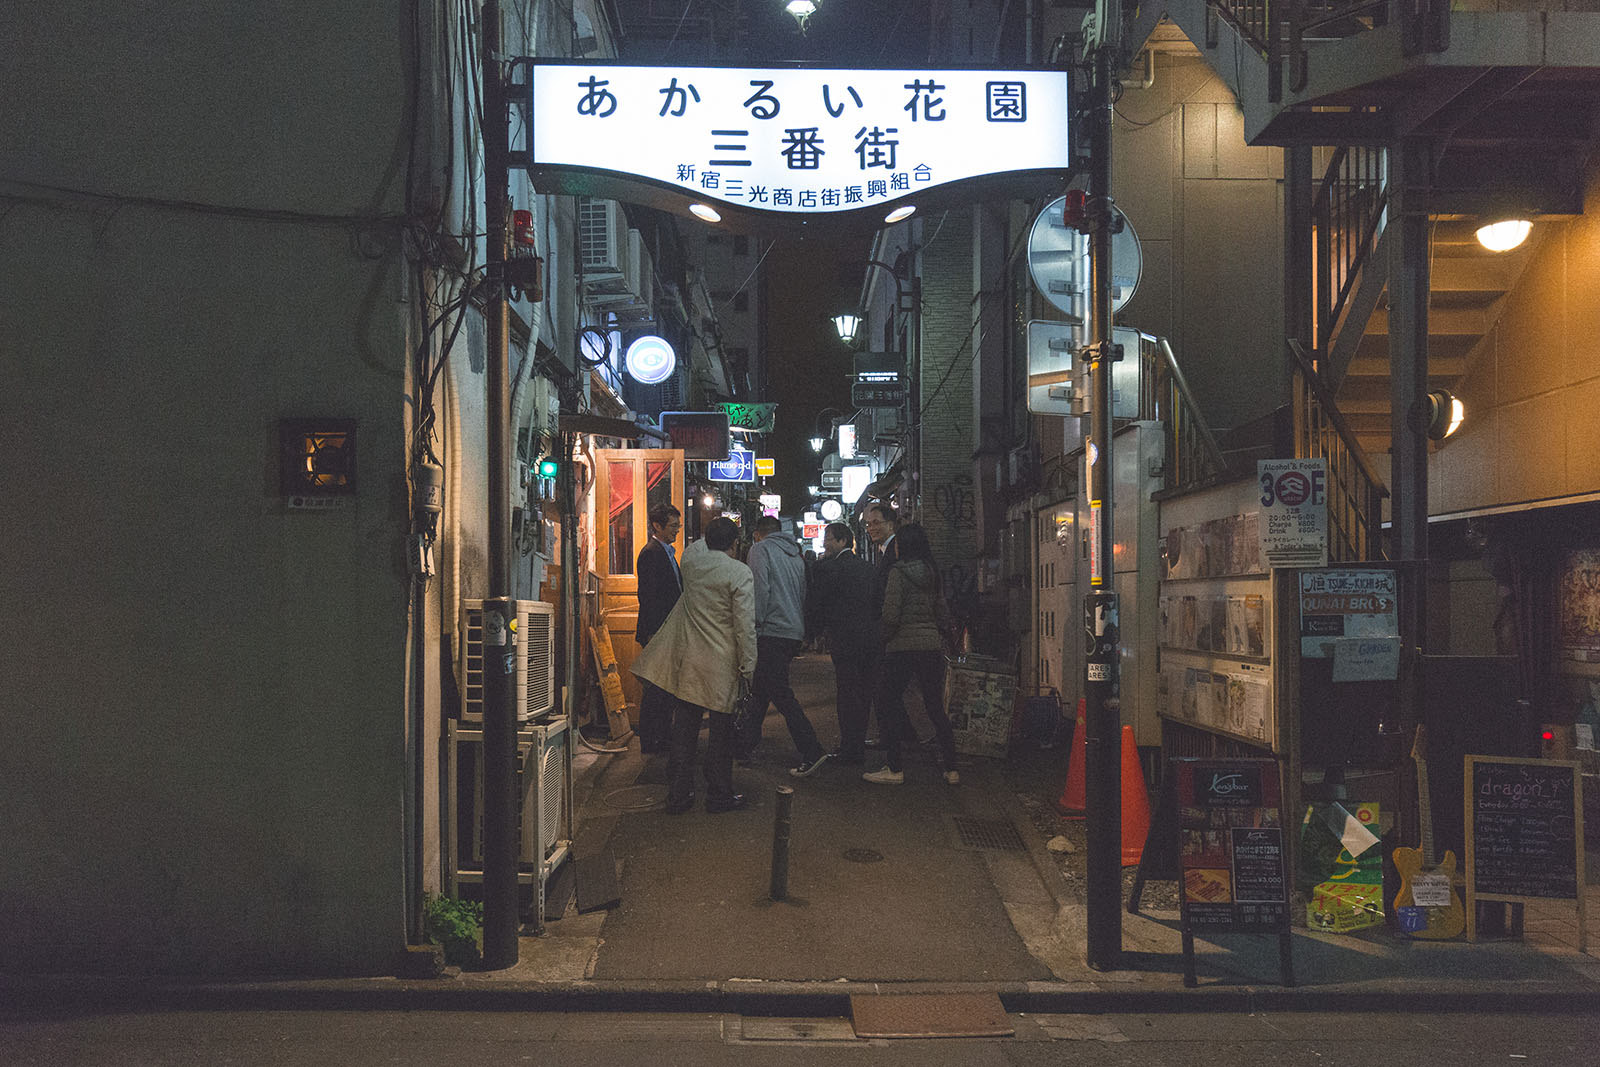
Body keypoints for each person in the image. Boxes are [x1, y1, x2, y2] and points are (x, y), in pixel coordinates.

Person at [630, 517, 757, 814]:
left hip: (691, 659)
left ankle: (678, 795)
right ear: (734, 543)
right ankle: (719, 793)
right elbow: (744, 626)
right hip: (723, 662)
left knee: (684, 731)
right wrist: (748, 665)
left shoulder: (691, 566)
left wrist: (711, 536)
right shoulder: (739, 573)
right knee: (721, 734)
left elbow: (697, 548)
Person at [864, 523, 961, 786]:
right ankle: (952, 768)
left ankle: (894, 767)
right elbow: (941, 610)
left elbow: (891, 615)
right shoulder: (932, 572)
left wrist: (882, 638)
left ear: (903, 546)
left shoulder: (898, 572)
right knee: (934, 706)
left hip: (902, 647)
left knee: (888, 702)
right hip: (930, 646)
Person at [735, 515, 831, 778]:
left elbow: (759, 590)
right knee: (762, 690)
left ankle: (812, 750)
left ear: (758, 534)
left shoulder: (760, 550)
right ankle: (744, 745)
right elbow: (803, 592)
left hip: (771, 630)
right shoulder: (795, 555)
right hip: (791, 630)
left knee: (780, 693)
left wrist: (754, 625)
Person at [807, 521, 879, 765]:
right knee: (864, 693)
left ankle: (850, 748)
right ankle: (857, 742)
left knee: (847, 693)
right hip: (870, 638)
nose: (824, 544)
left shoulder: (828, 568)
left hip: (844, 639)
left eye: (828, 539)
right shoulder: (868, 568)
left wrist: (812, 632)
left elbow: (818, 603)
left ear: (842, 541)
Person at [633, 503, 682, 754]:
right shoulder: (651, 553)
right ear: (657, 526)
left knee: (664, 688)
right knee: (656, 688)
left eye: (678, 525)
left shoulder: (667, 552)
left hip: (668, 630)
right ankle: (651, 740)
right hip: (658, 631)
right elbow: (649, 596)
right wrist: (653, 633)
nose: (677, 530)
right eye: (673, 526)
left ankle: (662, 737)